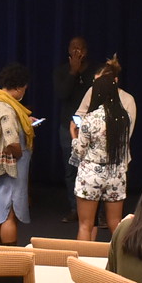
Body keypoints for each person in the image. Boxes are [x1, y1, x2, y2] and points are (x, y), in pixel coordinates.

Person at [73, 60, 136, 241]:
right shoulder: (125, 118)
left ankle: (81, 265)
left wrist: (74, 138)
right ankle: (126, 258)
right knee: (115, 222)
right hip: (116, 172)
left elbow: (79, 152)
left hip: (92, 173)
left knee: (85, 225)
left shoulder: (91, 119)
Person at [0, 63, 34, 244]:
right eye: (24, 89)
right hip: (10, 167)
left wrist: (25, 121)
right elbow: (12, 141)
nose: (23, 93)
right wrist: (19, 154)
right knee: (10, 214)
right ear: (18, 87)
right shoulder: (8, 110)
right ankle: (9, 257)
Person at [52, 36, 92, 191]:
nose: (76, 51)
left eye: (80, 48)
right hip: (68, 127)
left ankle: (95, 211)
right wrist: (73, 72)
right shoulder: (61, 71)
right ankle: (74, 208)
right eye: (73, 48)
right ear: (68, 50)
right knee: (70, 170)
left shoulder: (96, 70)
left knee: (91, 169)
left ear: (85, 51)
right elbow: (62, 94)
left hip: (91, 127)